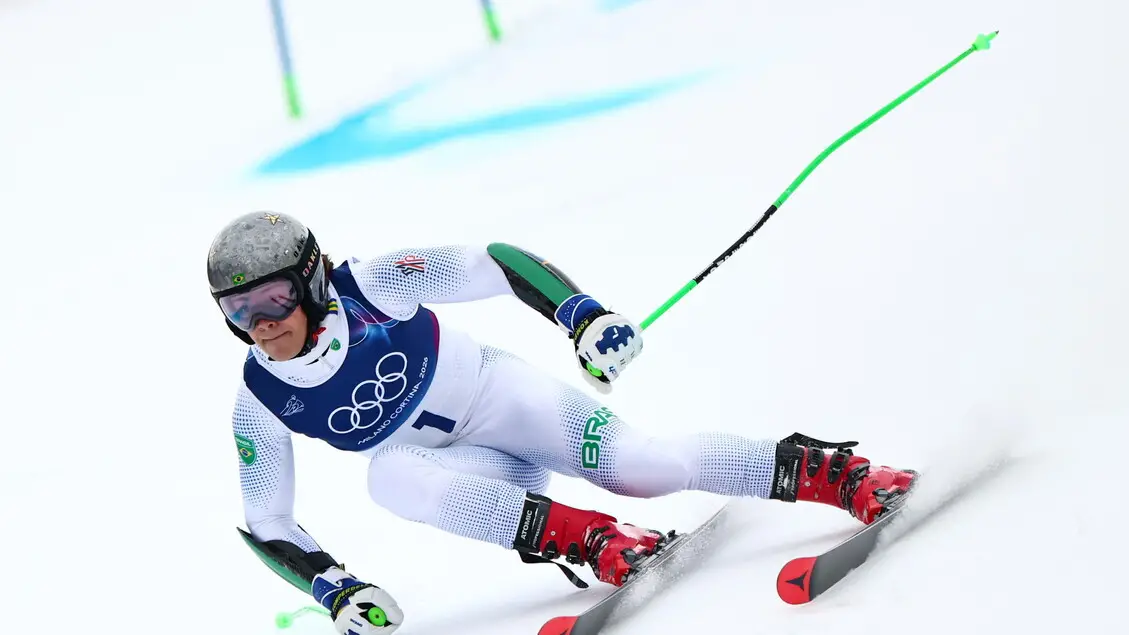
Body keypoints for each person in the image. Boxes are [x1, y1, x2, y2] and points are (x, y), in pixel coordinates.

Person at [207, 211, 916, 634]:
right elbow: (267, 518)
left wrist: (581, 314)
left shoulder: (372, 285)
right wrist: (334, 587)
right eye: (239, 310)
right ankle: (600, 540)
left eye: (273, 298)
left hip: (506, 401)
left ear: (311, 278)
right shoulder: (261, 396)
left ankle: (841, 475)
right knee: (388, 477)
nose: (261, 323)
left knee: (642, 467)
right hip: (474, 472)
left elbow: (495, 263)